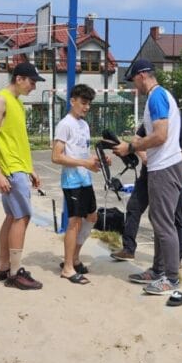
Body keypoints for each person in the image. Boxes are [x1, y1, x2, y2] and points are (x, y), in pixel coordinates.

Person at [113, 59, 182, 295]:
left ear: (142, 75)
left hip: (164, 167)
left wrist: (131, 148)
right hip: (162, 166)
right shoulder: (160, 96)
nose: (134, 86)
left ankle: (171, 278)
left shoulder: (156, 96)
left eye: (133, 79)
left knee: (164, 224)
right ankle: (158, 270)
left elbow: (161, 135)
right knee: (159, 221)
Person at [0, 62, 46, 290]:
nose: (33, 87)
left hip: (19, 168)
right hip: (10, 170)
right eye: (31, 82)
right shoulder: (0, 100)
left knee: (12, 217)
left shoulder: (17, 103)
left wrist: (30, 168)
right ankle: (15, 272)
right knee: (22, 217)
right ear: (19, 79)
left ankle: (3, 266)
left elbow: (17, 141)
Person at [111, 113, 182, 263]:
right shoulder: (152, 121)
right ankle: (128, 249)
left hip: (173, 177)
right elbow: (136, 140)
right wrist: (144, 156)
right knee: (134, 207)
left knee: (176, 218)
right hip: (148, 174)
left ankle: (176, 258)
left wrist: (168, 161)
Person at [52, 84, 101, 284]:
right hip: (71, 182)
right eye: (83, 102)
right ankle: (68, 268)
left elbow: (82, 153)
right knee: (74, 222)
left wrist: (96, 161)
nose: (86, 107)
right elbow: (56, 156)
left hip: (85, 179)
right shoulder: (65, 124)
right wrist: (84, 163)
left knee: (92, 217)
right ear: (72, 101)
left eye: (88, 103)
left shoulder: (84, 125)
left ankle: (74, 258)